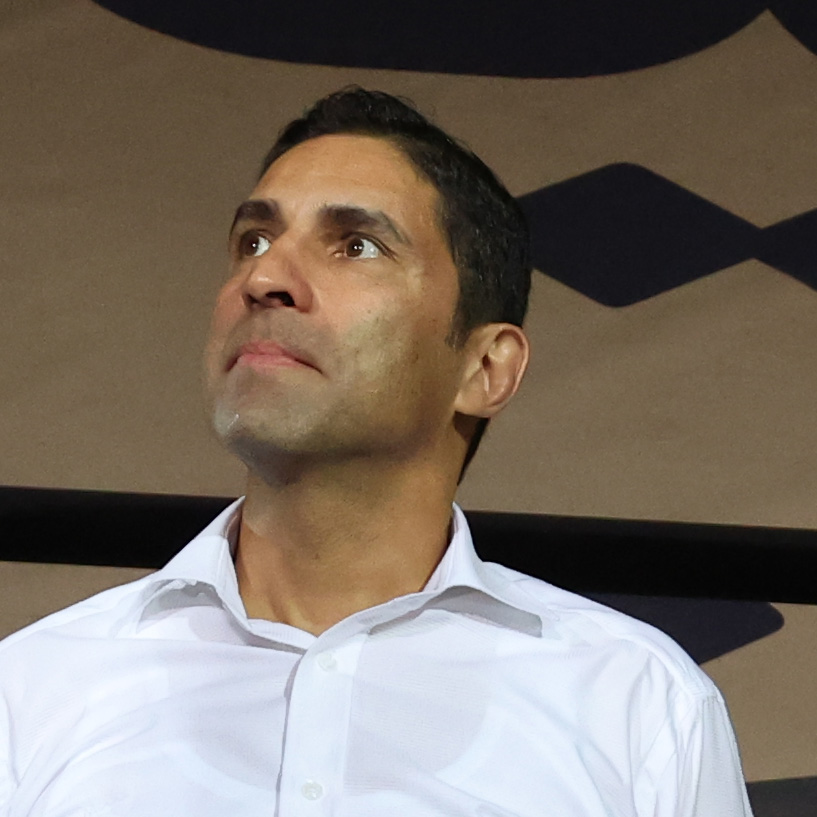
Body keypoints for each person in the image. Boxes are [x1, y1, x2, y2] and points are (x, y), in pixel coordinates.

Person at [0, 88, 752, 816]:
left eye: (355, 246)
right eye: (253, 241)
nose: (264, 278)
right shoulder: (35, 688)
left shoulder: (637, 704)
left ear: (484, 368)